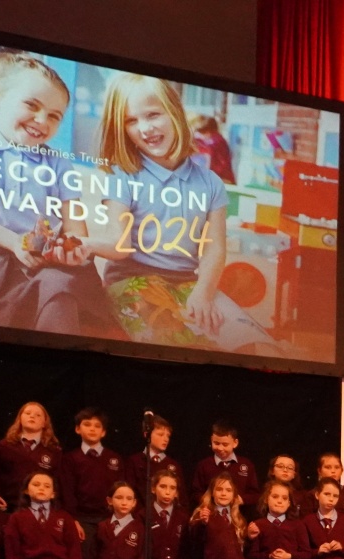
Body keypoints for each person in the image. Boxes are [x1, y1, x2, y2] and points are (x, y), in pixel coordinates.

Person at [91, 73, 278, 356]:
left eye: (153, 114)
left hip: (188, 281)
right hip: (130, 278)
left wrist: (204, 291)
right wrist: (84, 244)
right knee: (174, 342)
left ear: (175, 113)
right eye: (131, 121)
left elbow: (215, 250)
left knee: (253, 345)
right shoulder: (123, 174)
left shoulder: (211, 182)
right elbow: (118, 243)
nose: (145, 128)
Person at [0, 51, 111, 336]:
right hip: (2, 262)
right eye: (31, 105)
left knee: (60, 286)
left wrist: (73, 251)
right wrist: (14, 242)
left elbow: (76, 231)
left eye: (54, 116)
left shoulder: (59, 162)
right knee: (55, 291)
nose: (42, 120)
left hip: (51, 261)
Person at [59, 408, 123, 527]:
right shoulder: (70, 458)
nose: (92, 429)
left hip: (110, 519)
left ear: (103, 432)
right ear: (78, 429)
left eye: (97, 426)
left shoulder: (115, 458)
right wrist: (73, 519)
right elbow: (67, 493)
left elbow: (120, 490)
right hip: (81, 519)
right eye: (87, 424)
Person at [0, 403, 62, 511]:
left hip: (40, 508)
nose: (32, 416)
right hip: (7, 506)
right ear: (20, 418)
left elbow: (58, 481)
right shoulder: (5, 446)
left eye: (38, 415)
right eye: (28, 413)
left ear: (44, 423)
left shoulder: (53, 450)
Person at [192, 421, 260, 514]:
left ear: (235, 443)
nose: (220, 448)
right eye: (216, 443)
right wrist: (207, 500)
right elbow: (195, 492)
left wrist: (241, 499)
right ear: (211, 439)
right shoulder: (204, 465)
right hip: (212, 516)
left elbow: (255, 494)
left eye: (225, 444)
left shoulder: (246, 465)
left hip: (240, 517)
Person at [126, 413, 184, 499]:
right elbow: (129, 493)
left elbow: (181, 498)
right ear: (146, 434)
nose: (165, 439)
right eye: (160, 434)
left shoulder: (173, 465)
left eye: (168, 436)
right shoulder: (134, 461)